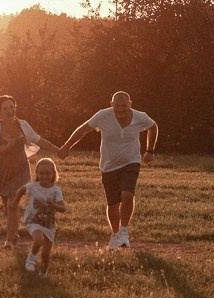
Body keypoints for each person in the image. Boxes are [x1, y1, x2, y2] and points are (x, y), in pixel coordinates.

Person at [59, 90, 157, 249]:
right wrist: (66, 146)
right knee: (113, 204)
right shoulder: (103, 116)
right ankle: (115, 234)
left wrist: (150, 150)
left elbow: (153, 127)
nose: (120, 109)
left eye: (124, 106)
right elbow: (83, 129)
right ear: (111, 105)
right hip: (108, 166)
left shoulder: (140, 117)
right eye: (117, 106)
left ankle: (124, 231)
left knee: (127, 194)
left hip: (131, 162)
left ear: (130, 104)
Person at [0, 95, 62, 249]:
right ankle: (14, 233)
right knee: (8, 207)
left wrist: (58, 150)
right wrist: (7, 146)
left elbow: (38, 140)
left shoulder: (22, 124)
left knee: (13, 204)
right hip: (2, 168)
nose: (10, 110)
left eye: (12, 107)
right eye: (6, 108)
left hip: (20, 168)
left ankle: (9, 241)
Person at [13, 157, 66, 278]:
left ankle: (43, 275)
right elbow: (22, 190)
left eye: (48, 173)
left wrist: (54, 205)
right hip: (34, 221)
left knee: (46, 254)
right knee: (38, 240)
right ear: (36, 173)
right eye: (41, 173)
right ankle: (31, 258)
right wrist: (15, 203)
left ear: (53, 174)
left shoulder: (56, 190)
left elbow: (63, 208)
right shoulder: (33, 186)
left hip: (49, 224)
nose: (45, 176)